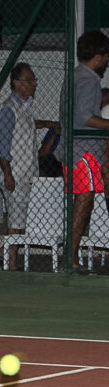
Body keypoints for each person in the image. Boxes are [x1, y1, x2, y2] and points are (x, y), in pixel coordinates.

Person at [0, 63, 58, 271]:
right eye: (30, 80)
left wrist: (48, 124)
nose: (34, 83)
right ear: (17, 84)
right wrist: (8, 175)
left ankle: (3, 256)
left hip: (25, 173)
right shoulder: (9, 109)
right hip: (15, 173)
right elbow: (1, 147)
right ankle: (9, 262)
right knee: (16, 221)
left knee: (19, 220)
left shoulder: (25, 106)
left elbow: (30, 124)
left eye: (34, 80)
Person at [58, 30, 109, 273]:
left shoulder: (74, 76)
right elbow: (86, 118)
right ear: (98, 57)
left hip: (74, 149)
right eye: (106, 57)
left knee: (83, 200)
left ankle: (71, 255)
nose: (107, 61)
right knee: (83, 200)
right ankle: (70, 257)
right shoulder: (89, 80)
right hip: (83, 151)